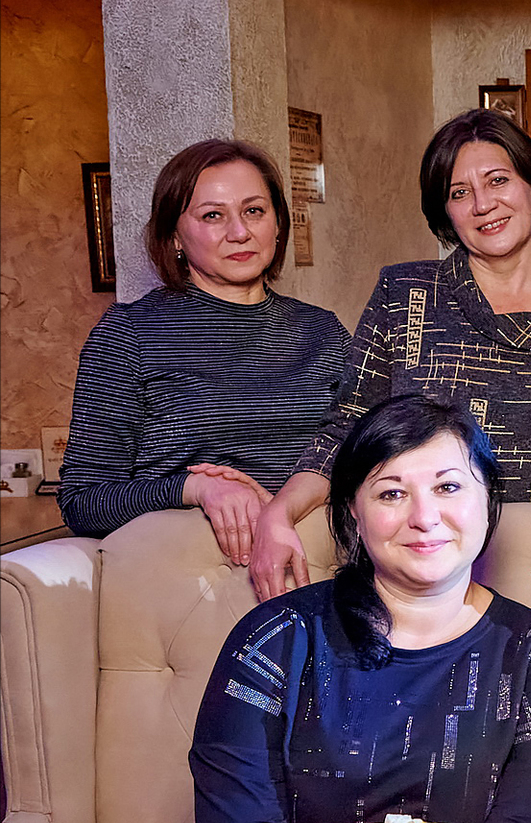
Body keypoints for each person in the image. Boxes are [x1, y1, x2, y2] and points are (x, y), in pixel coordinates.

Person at [190, 396, 531, 823]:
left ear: (488, 500)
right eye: (392, 494)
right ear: (353, 512)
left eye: (448, 487)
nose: (424, 517)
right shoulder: (276, 638)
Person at [248, 109, 531, 614]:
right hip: (420, 563)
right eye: (459, 192)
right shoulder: (405, 293)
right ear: (446, 214)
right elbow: (348, 429)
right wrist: (278, 513)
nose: (483, 204)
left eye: (498, 180)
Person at [58, 140, 350, 562]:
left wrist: (288, 506)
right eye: (213, 215)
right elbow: (82, 502)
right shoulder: (129, 334)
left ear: (278, 224)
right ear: (174, 235)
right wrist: (195, 488)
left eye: (254, 210)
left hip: (319, 558)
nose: (239, 232)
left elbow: (367, 457)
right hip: (187, 572)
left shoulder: (323, 331)